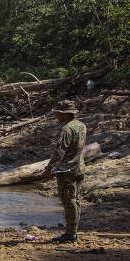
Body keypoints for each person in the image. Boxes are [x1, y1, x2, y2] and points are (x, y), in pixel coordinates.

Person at [43, 100, 87, 243]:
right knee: (76, 199)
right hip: (79, 168)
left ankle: (70, 233)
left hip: (67, 170)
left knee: (68, 200)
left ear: (64, 114)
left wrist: (49, 169)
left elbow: (59, 151)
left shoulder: (67, 129)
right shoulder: (81, 126)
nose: (56, 115)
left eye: (58, 113)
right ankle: (73, 230)